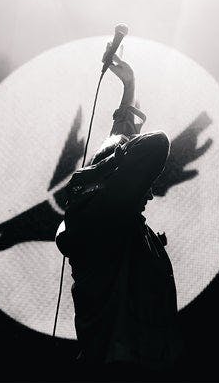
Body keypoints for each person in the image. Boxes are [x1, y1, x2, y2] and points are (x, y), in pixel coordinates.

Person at [56, 48, 183, 380]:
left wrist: (129, 86)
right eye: (145, 185)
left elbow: (120, 146)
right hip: (123, 364)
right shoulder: (105, 214)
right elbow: (154, 144)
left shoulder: (105, 211)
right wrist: (105, 166)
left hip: (135, 357)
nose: (149, 193)